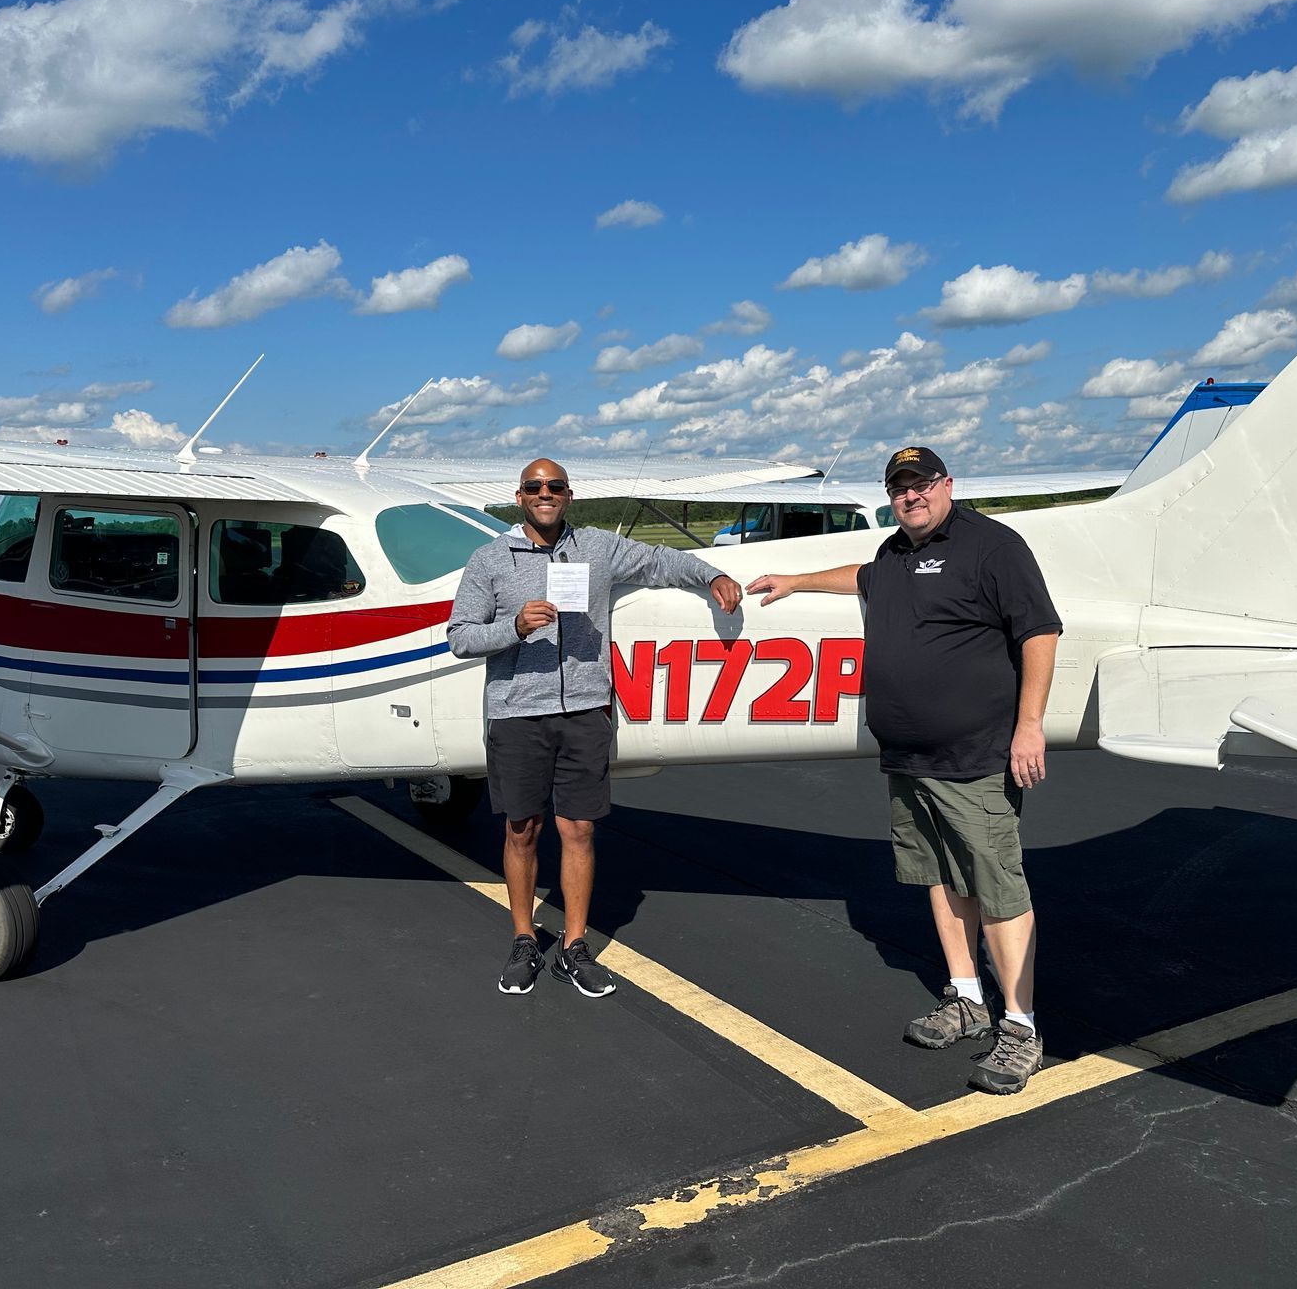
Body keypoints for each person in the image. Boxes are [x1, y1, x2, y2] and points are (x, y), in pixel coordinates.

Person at [745, 446, 1060, 1094]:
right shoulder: (894, 554)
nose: (910, 496)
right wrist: (796, 582)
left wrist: (1031, 724)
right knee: (941, 878)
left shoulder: (993, 546)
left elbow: (1040, 632)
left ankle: (1021, 1029)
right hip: (912, 756)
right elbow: (862, 576)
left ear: (947, 485)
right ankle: (968, 999)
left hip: (976, 754)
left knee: (997, 885)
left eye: (920, 485)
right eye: (899, 487)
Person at [449, 458, 744, 998]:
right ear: (519, 497)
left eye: (555, 487)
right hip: (517, 712)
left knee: (579, 831)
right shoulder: (490, 559)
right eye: (535, 487)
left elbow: (658, 562)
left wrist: (712, 573)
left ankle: (574, 945)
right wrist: (513, 627)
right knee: (522, 829)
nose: (545, 494)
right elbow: (461, 636)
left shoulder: (598, 548)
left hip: (585, 710)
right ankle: (522, 938)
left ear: (568, 495)